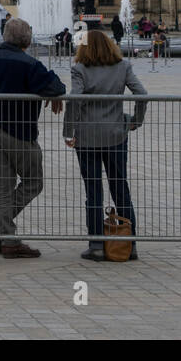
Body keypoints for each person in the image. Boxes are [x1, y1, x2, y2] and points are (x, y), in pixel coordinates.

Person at [0, 17, 66, 259]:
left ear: (5, 36)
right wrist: (54, 92)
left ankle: (2, 232)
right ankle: (0, 229)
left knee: (4, 183)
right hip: (20, 131)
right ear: (27, 39)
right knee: (33, 181)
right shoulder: (30, 64)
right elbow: (56, 87)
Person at [65, 30, 146, 261]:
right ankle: (129, 246)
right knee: (121, 189)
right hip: (116, 136)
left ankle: (97, 246)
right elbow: (141, 93)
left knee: (94, 192)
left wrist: (67, 132)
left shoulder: (79, 69)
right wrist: (135, 121)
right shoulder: (123, 66)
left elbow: (74, 100)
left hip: (87, 137)